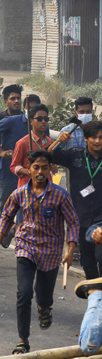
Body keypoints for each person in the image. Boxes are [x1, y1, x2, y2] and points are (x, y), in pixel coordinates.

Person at [0, 150, 77, 355]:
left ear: (50, 170)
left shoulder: (60, 196)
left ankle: (44, 308)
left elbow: (72, 223)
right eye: (36, 167)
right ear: (29, 169)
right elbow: (7, 216)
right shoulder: (19, 194)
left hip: (51, 252)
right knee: (24, 293)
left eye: (44, 168)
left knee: (43, 296)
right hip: (26, 248)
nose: (39, 172)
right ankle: (23, 340)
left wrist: (70, 250)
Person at [0, 93, 43, 242]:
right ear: (25, 109)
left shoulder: (43, 127)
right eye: (29, 109)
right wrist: (1, 152)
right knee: (7, 204)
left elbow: (46, 148)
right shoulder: (11, 121)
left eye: (35, 110)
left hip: (28, 177)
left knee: (24, 207)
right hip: (7, 171)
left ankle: (14, 232)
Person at [51, 120, 102, 281]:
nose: (97, 141)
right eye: (93, 137)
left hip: (101, 218)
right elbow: (49, 155)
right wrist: (60, 140)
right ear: (86, 138)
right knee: (87, 260)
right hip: (80, 217)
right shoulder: (75, 155)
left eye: (101, 137)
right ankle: (95, 292)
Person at [10, 104, 53, 188]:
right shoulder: (23, 142)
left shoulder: (49, 141)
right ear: (31, 121)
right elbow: (14, 166)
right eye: (39, 119)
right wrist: (26, 171)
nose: (43, 122)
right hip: (28, 186)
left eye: (46, 119)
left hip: (46, 185)